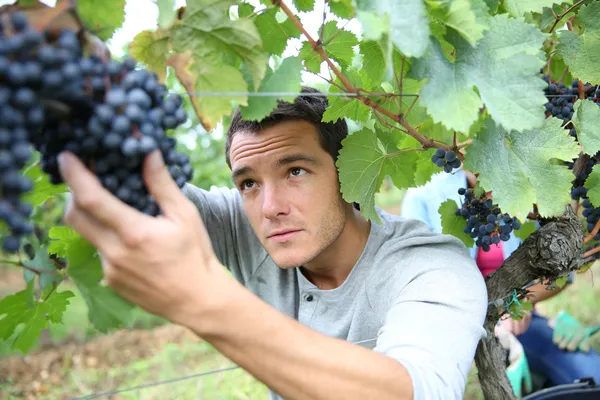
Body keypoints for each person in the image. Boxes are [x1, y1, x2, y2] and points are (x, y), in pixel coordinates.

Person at [56, 87, 488, 400]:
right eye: (248, 182)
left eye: (295, 171)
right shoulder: (244, 225)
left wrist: (205, 302)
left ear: (347, 172)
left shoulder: (431, 266)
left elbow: (413, 393)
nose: (269, 207)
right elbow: (129, 184)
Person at [401, 168, 600, 396]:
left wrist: (520, 302)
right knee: (422, 390)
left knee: (592, 376)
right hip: (445, 326)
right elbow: (416, 278)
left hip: (514, 322)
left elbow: (562, 273)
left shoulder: (531, 191)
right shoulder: (423, 196)